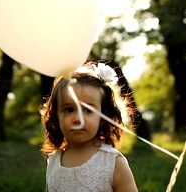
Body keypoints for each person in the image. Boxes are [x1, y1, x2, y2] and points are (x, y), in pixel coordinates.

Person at [40, 61, 138, 192]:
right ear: (56, 116)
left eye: (88, 110)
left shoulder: (112, 162)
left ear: (103, 117)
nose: (78, 119)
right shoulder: (54, 161)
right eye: (69, 110)